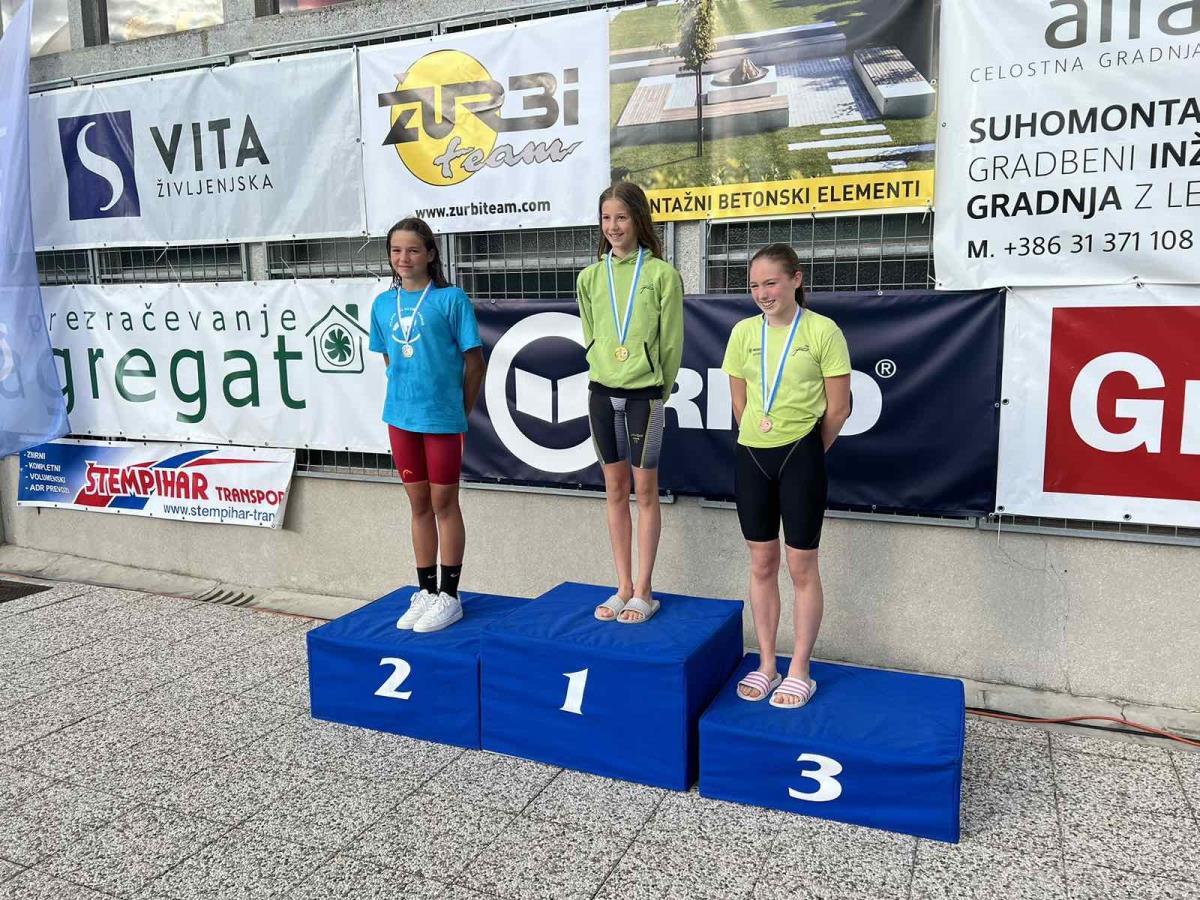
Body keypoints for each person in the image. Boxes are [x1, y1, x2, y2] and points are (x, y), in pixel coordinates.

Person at [721, 243, 851, 708]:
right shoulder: (742, 333)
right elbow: (739, 403)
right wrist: (761, 433)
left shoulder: (822, 331)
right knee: (761, 563)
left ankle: (799, 668)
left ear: (796, 279)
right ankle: (767, 664)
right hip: (752, 455)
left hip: (802, 454)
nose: (762, 293)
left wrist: (807, 451)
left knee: (801, 566)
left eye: (771, 282)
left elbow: (838, 408)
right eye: (754, 285)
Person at [368, 217, 484, 633]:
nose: (404, 258)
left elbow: (475, 363)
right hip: (400, 419)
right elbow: (389, 358)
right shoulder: (383, 304)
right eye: (396, 250)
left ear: (431, 254)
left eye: (413, 250)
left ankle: (450, 596)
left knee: (444, 504)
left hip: (442, 420)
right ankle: (426, 591)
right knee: (418, 505)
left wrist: (459, 410)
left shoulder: (451, 300)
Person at [576, 182, 684, 624]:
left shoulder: (662, 275)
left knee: (646, 491)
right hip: (602, 393)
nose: (613, 226)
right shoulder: (589, 277)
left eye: (621, 217)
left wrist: (659, 386)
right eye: (606, 218)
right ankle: (622, 586)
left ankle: (644, 589)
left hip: (645, 396)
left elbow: (672, 342)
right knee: (615, 490)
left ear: (638, 219)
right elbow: (589, 332)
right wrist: (602, 359)